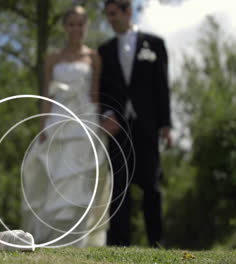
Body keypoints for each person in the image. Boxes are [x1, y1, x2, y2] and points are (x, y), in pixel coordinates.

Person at [21, 6, 112, 247]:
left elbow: (95, 94)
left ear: (86, 27)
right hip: (58, 120)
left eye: (80, 24)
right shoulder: (52, 58)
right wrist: (42, 126)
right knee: (53, 174)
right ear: (65, 27)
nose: (76, 29)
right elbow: (45, 95)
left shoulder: (94, 58)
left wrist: (99, 127)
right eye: (71, 24)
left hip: (85, 121)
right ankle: (49, 237)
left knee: (80, 178)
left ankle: (76, 240)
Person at [98, 0, 172, 247]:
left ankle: (156, 242)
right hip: (117, 127)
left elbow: (162, 87)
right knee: (119, 185)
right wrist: (106, 114)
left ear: (128, 11)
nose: (110, 19)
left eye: (113, 14)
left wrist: (166, 125)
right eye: (107, 15)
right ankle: (119, 243)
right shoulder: (104, 50)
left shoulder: (156, 44)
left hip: (147, 126)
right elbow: (102, 89)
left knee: (151, 185)